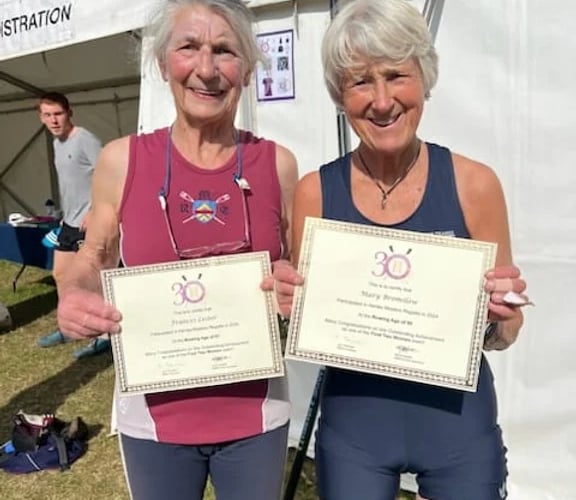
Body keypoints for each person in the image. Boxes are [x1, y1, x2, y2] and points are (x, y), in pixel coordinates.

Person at [270, 1, 529, 499]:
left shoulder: (474, 184)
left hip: (458, 426)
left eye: (396, 75)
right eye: (360, 81)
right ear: (339, 95)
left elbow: (507, 333)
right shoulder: (314, 193)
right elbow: (307, 323)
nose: (383, 100)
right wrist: (285, 305)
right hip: (355, 431)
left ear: (424, 80)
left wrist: (500, 314)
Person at [56, 1, 298, 499]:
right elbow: (94, 254)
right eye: (189, 47)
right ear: (164, 62)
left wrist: (293, 283)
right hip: (154, 418)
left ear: (248, 70)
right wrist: (74, 291)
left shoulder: (278, 165)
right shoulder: (121, 159)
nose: (206, 69)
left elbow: (299, 267)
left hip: (256, 412)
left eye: (225, 51)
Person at [36, 92, 111, 359]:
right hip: (68, 222)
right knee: (60, 275)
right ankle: (69, 327)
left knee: (93, 279)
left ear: (69, 113)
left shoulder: (84, 139)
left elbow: (109, 174)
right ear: (41, 117)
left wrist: (95, 210)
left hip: (89, 223)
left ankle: (104, 336)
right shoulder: (57, 143)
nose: (54, 120)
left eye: (58, 114)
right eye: (48, 115)